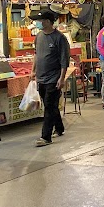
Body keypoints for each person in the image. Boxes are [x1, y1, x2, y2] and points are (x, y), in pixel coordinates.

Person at [31, 10, 70, 147]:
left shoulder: (59, 38)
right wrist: (33, 71)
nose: (38, 23)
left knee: (49, 106)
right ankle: (59, 128)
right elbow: (36, 54)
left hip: (54, 78)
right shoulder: (39, 36)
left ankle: (45, 136)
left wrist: (62, 78)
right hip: (41, 77)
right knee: (50, 105)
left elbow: (64, 60)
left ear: (48, 21)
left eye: (40, 21)